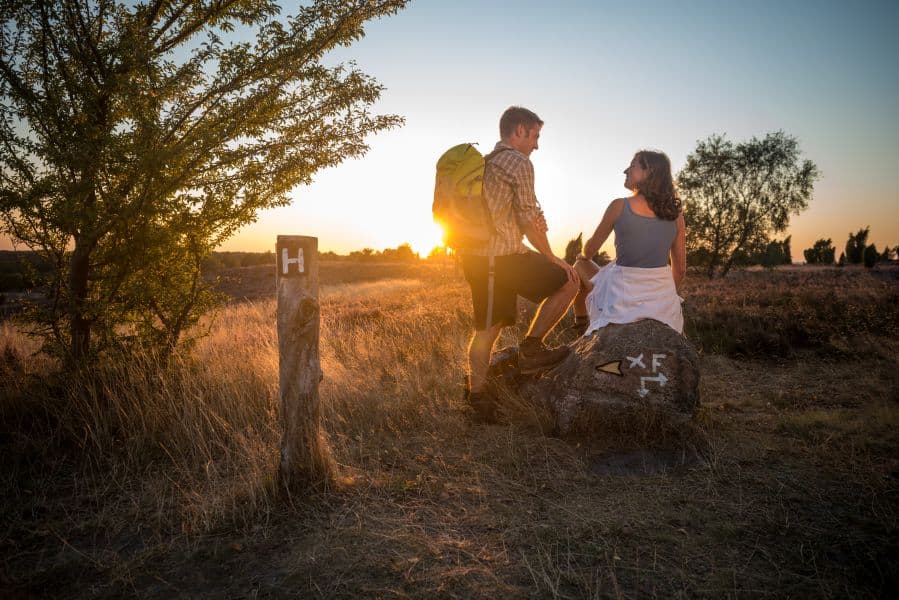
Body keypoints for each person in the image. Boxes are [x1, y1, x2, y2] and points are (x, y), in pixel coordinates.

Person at [461, 106, 579, 423]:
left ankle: (477, 399)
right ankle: (532, 347)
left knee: (488, 330)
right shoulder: (518, 162)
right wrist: (553, 257)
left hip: (476, 258)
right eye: (535, 136)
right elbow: (528, 219)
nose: (537, 145)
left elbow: (510, 217)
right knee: (569, 280)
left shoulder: (487, 163)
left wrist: (528, 224)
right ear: (519, 131)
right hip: (501, 260)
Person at [571, 150, 686, 336]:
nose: (626, 170)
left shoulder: (619, 205)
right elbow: (680, 270)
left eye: (632, 166)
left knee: (579, 264)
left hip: (621, 297)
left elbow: (590, 250)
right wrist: (660, 296)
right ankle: (583, 326)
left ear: (648, 172)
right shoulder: (677, 216)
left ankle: (581, 325)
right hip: (661, 302)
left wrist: (583, 253)